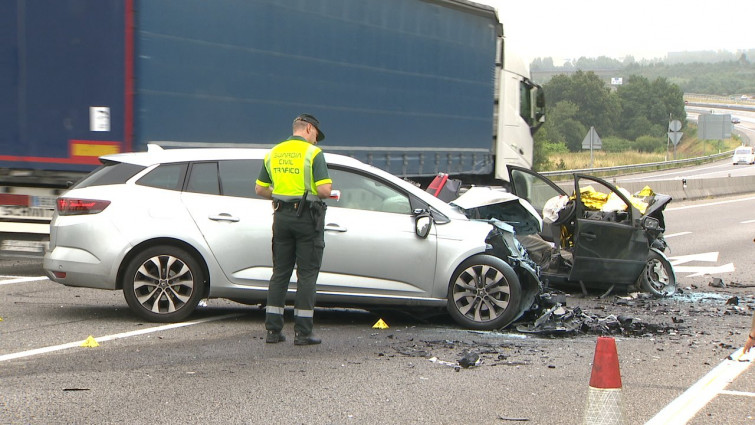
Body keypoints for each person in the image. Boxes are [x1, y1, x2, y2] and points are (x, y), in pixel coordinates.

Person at [255, 114, 332, 345]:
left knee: (280, 273)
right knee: (307, 274)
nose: (316, 140)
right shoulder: (313, 154)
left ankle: (273, 331)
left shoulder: (274, 153)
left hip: (281, 216)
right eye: (316, 135)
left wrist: (281, 196)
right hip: (307, 217)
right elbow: (325, 190)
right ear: (309, 128)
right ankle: (303, 332)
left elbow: (260, 188)